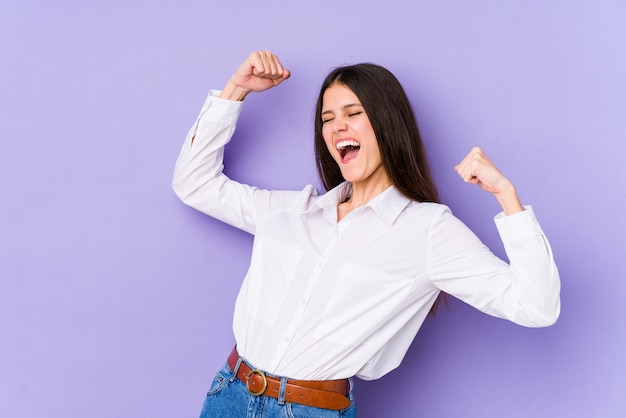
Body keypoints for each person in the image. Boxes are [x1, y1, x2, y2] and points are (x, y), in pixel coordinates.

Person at [172, 50, 561, 417]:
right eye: (327, 118)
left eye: (352, 112)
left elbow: (535, 307)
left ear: (386, 123)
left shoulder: (428, 231)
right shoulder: (293, 211)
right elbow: (194, 184)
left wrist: (506, 197)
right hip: (230, 393)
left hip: (310, 409)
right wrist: (236, 89)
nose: (336, 125)